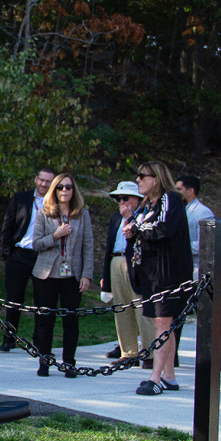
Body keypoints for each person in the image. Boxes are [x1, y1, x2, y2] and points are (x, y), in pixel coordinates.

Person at [124, 162, 192, 396]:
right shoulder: (146, 204)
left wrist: (137, 228)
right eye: (138, 175)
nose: (139, 180)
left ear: (157, 178)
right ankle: (169, 377)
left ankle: (155, 377)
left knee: (163, 324)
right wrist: (132, 229)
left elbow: (163, 227)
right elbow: (141, 229)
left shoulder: (169, 199)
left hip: (168, 274)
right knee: (164, 325)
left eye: (143, 176)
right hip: (150, 275)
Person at [31, 174, 94, 377]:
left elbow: (88, 247)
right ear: (54, 191)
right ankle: (44, 361)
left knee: (71, 321)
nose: (64, 191)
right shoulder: (44, 213)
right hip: (46, 274)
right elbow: (37, 244)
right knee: (45, 320)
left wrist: (87, 275)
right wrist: (56, 235)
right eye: (60, 187)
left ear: (74, 191)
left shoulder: (82, 215)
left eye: (68, 187)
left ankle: (69, 363)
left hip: (72, 275)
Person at [0, 167, 56, 352]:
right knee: (13, 299)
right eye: (42, 180)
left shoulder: (56, 202)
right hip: (19, 254)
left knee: (43, 301)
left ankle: (39, 341)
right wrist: (7, 250)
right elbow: (8, 225)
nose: (44, 184)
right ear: (35, 179)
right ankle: (9, 338)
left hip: (43, 254)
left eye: (48, 181)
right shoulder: (21, 198)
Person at [100, 181, 155, 369]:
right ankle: (128, 352)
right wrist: (105, 277)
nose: (121, 202)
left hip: (136, 264)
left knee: (142, 308)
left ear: (137, 199)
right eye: (118, 198)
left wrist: (131, 218)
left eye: (125, 198)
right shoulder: (116, 218)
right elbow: (109, 247)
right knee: (121, 308)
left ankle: (149, 352)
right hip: (116, 261)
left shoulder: (145, 216)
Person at [175, 175, 215, 279]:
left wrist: (180, 247)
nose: (176, 193)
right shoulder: (178, 210)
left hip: (195, 269)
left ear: (190, 191)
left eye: (179, 189)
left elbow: (206, 244)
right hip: (179, 268)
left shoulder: (203, 212)